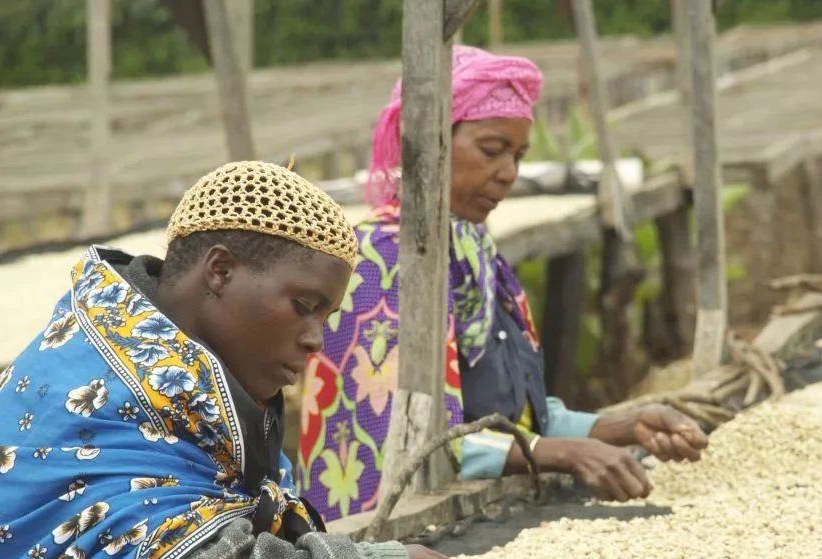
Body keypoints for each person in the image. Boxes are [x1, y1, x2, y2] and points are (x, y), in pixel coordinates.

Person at [0, 162, 477, 559]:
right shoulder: (101, 389)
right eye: (303, 306)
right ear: (220, 270)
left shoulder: (183, 393)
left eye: (327, 315)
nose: (316, 340)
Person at [298, 46, 709, 523]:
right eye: (492, 150)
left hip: (485, 514)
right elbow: (408, 442)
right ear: (429, 142)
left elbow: (525, 418)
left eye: (518, 156)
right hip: (402, 535)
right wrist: (560, 453)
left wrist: (628, 426)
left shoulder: (478, 255)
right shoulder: (382, 262)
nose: (509, 174)